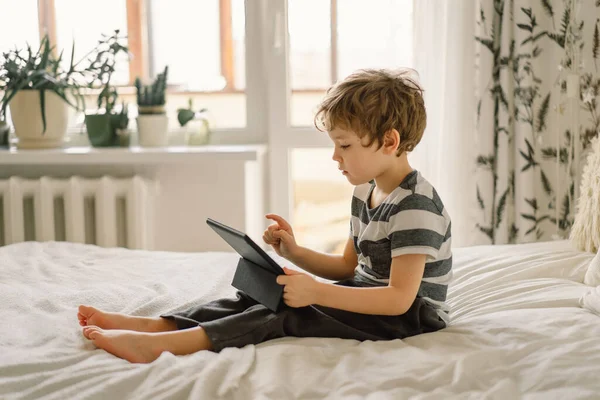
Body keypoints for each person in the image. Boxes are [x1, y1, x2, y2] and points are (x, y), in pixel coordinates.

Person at [78, 68, 452, 364]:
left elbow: (399, 300)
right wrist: (294, 254)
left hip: (410, 318)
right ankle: (154, 326)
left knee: (284, 315)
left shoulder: (415, 206)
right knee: (262, 297)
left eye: (345, 145)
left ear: (389, 141)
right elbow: (345, 267)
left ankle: (163, 346)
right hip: (370, 299)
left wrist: (317, 293)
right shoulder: (365, 191)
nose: (335, 157)